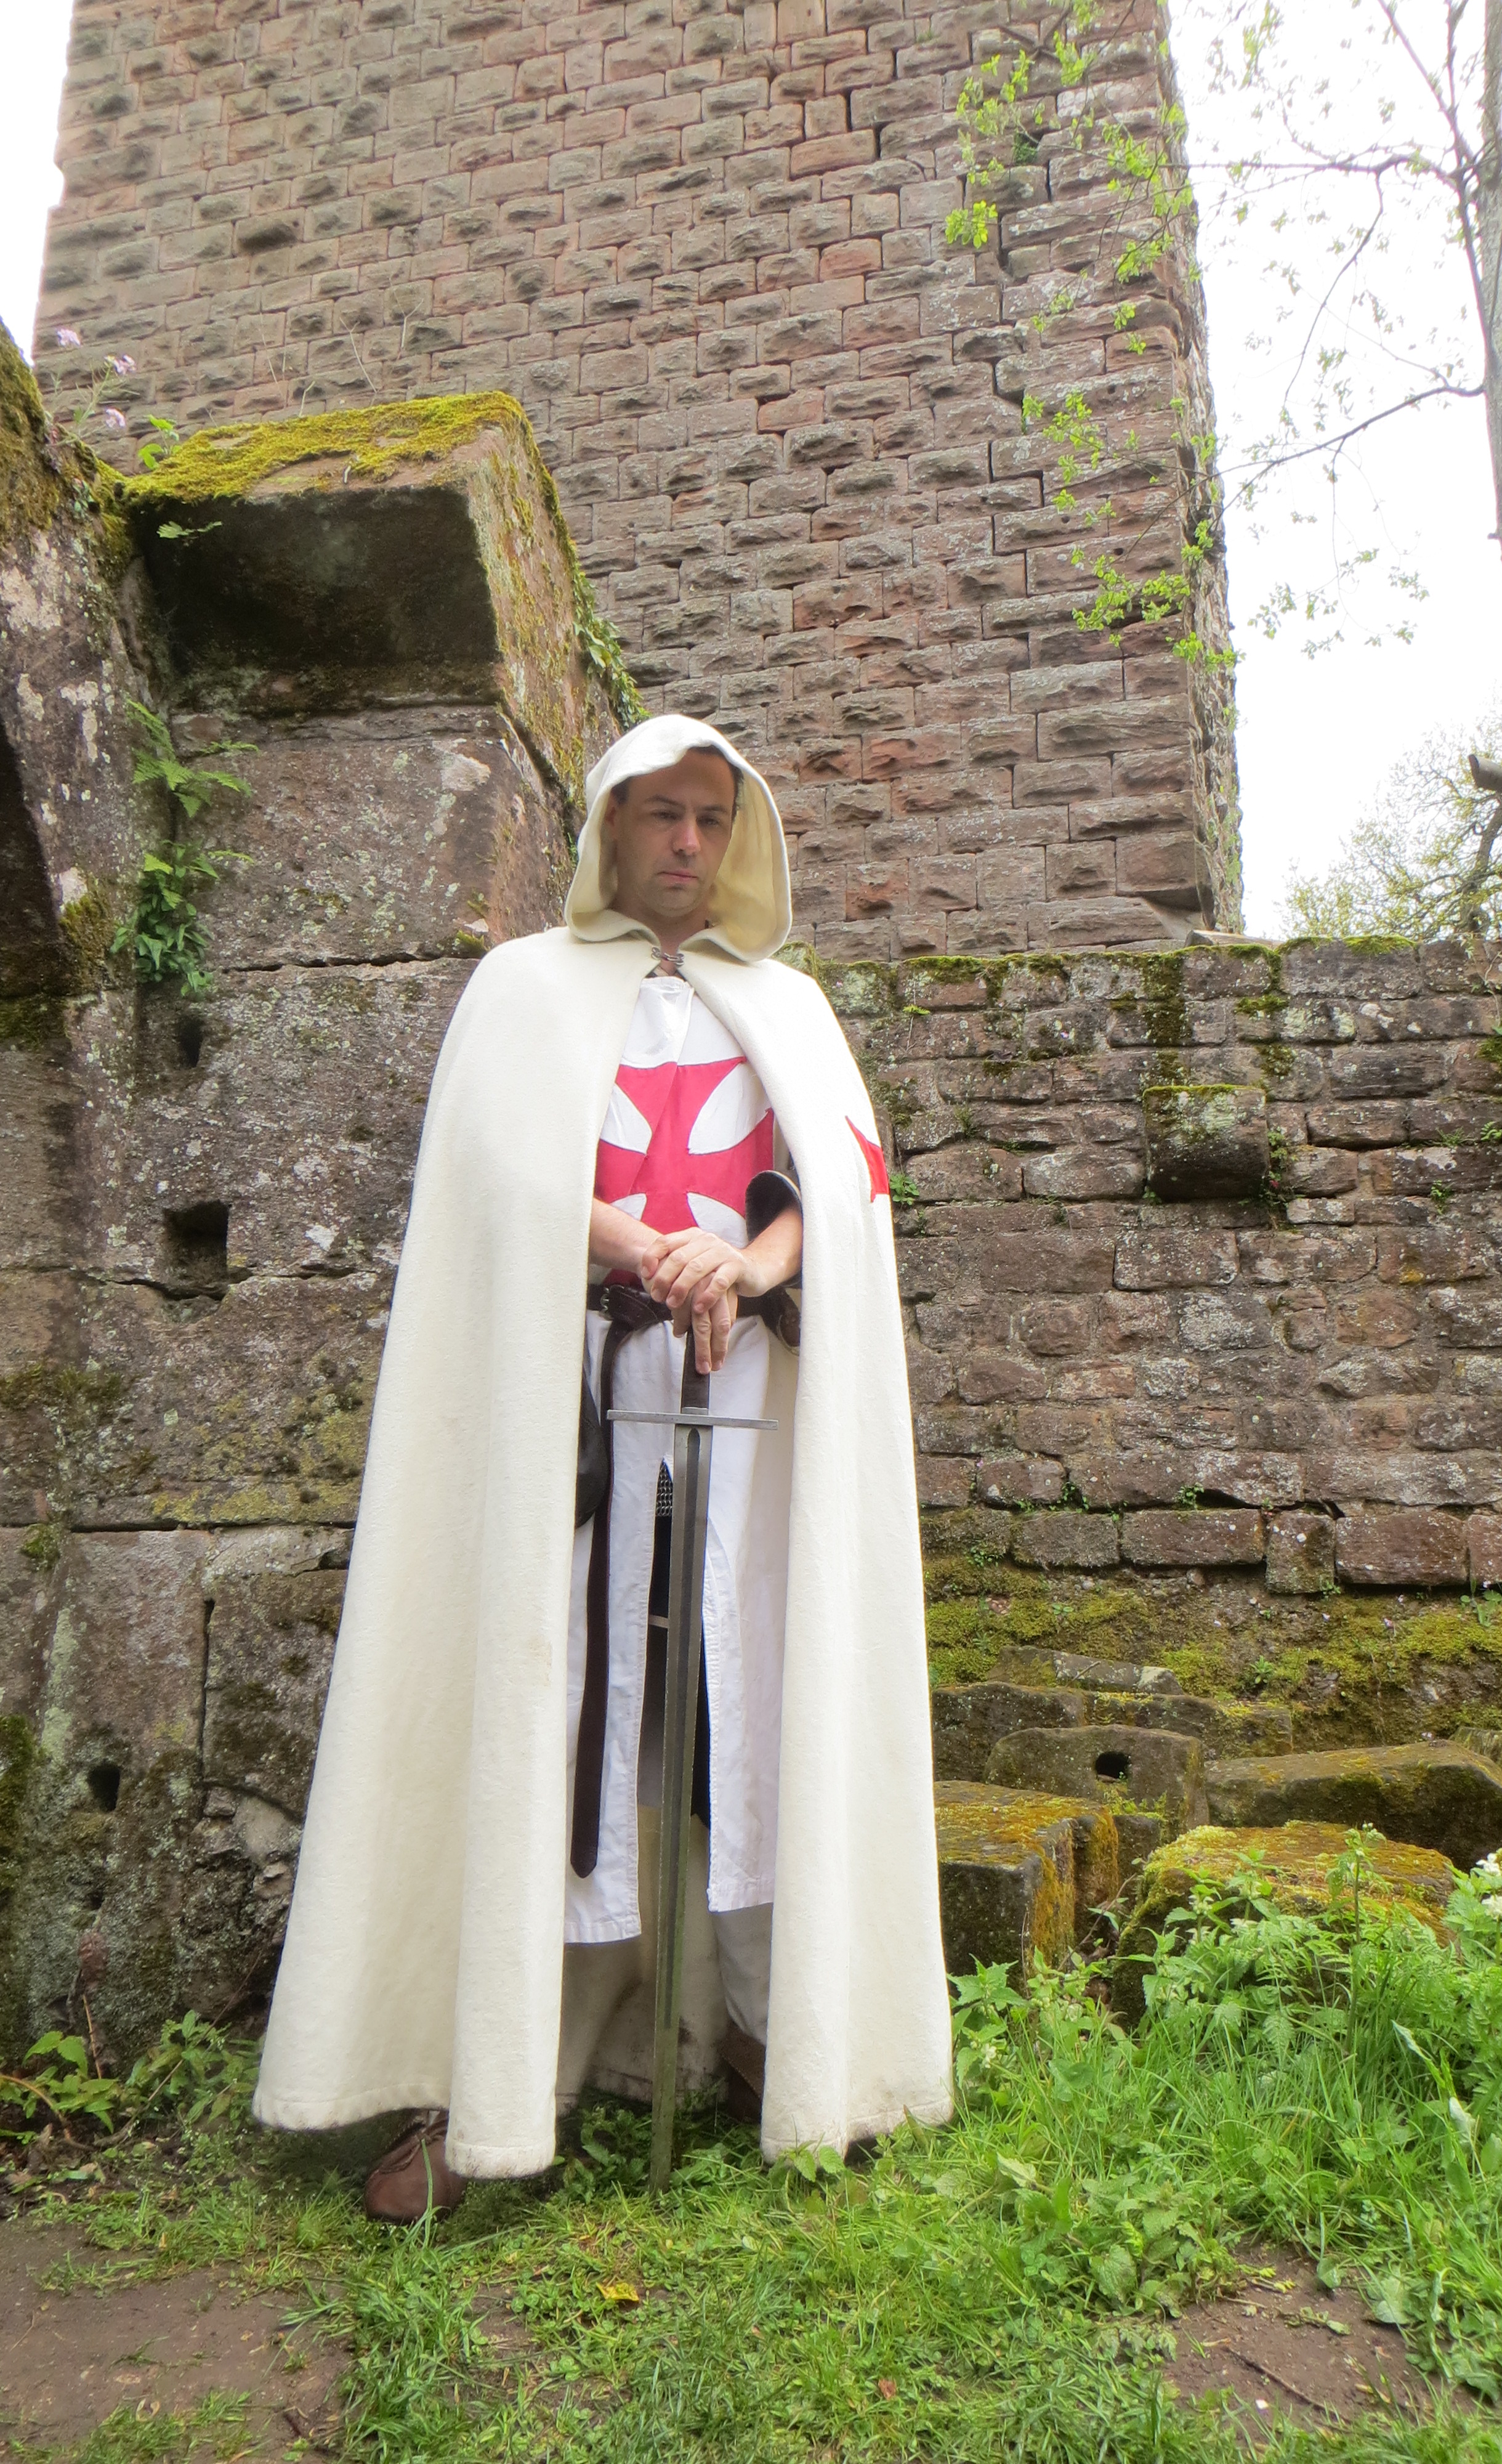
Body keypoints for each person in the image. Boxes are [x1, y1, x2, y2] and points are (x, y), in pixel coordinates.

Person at [252, 715, 952, 2218]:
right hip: (563, 1409)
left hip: (756, 1415)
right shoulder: (523, 992)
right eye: (660, 814)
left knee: (746, 1710)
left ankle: (777, 2036)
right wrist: (650, 1248)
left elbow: (848, 1185)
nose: (686, 842)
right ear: (610, 829)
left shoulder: (794, 1008)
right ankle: (502, 2078)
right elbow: (497, 1174)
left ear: (738, 836)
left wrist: (745, 1260)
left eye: (711, 816)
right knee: (557, 1715)